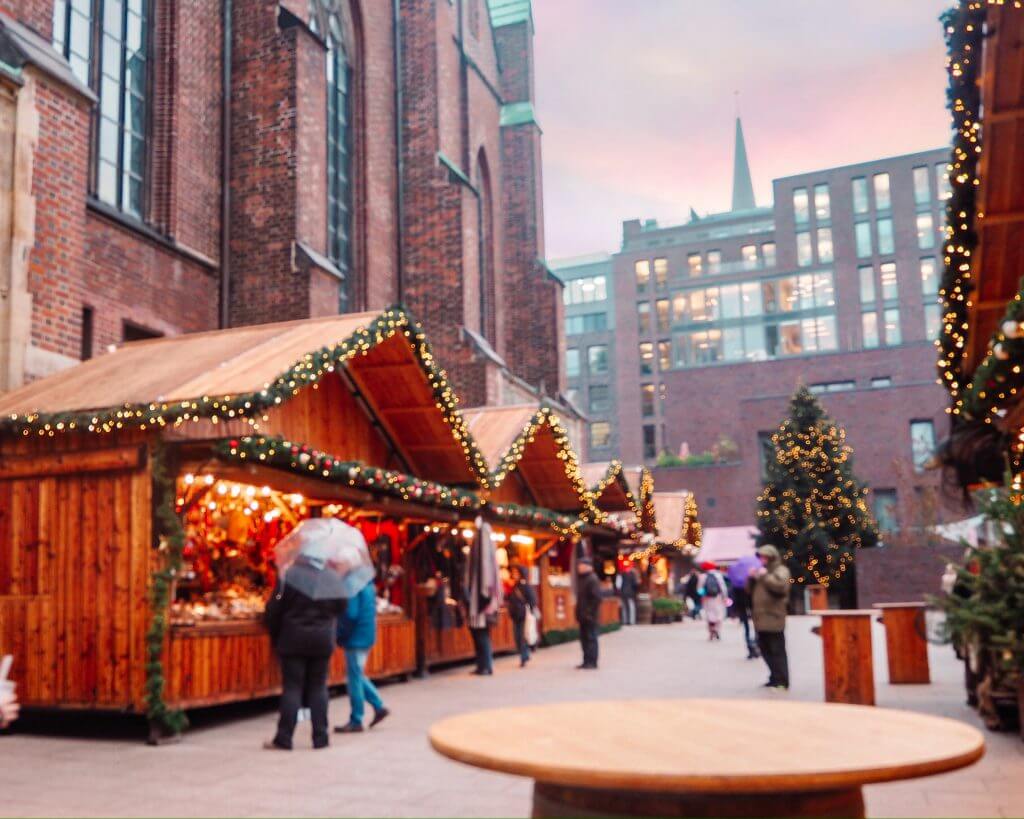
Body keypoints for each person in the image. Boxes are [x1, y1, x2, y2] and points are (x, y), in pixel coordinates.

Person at [263, 556, 346, 750]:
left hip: (293, 639)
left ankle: (284, 738)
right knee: (318, 687)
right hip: (322, 639)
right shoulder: (331, 577)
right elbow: (342, 604)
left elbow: (275, 605)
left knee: (292, 688)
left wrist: (276, 631)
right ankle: (321, 737)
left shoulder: (289, 576)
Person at [335, 580, 390, 734]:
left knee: (354, 679)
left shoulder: (353, 585)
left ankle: (356, 719)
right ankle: (379, 706)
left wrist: (340, 634)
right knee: (357, 675)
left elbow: (351, 614)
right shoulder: (367, 584)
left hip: (356, 637)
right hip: (366, 634)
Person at [748, 544, 791, 691]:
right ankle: (773, 677)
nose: (762, 559)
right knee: (765, 649)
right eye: (761, 557)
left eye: (765, 556)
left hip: (773, 617)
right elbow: (749, 590)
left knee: (777, 650)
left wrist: (763, 576)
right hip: (760, 618)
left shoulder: (780, 570)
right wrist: (752, 578)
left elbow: (780, 586)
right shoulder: (762, 572)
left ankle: (782, 680)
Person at [506, 565, 538, 667]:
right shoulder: (515, 586)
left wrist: (530, 611)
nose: (514, 575)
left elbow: (533, 600)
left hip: (524, 615)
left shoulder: (525, 586)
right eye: (513, 573)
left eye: (516, 573)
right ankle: (526, 654)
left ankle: (524, 656)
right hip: (515, 615)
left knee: (522, 636)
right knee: (517, 636)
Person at [575, 557, 603, 669]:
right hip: (583, 615)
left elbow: (596, 598)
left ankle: (592, 662)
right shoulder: (583, 579)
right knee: (584, 639)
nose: (579, 568)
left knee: (591, 638)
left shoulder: (592, 579)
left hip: (590, 616)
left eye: (581, 565)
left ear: (588, 567)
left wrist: (589, 613)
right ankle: (586, 660)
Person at [699, 561, 728, 641]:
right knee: (719, 613)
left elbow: (700, 589)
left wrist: (702, 596)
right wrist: (725, 597)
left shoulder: (703, 576)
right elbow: (723, 588)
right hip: (718, 598)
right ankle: (717, 629)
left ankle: (711, 631)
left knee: (709, 614)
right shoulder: (718, 575)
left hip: (707, 598)